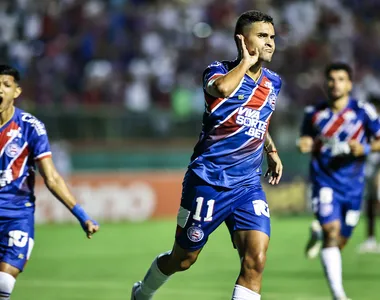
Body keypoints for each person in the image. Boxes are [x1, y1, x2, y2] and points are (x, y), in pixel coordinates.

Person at [131, 10, 283, 300]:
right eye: (262, 36)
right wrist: (246, 63)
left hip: (247, 185)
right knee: (183, 259)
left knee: (256, 260)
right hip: (208, 181)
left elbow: (258, 118)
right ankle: (142, 293)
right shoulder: (216, 71)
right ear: (242, 39)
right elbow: (223, 90)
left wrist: (271, 149)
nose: (270, 43)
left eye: (272, 37)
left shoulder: (273, 82)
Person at [0, 65, 100, 299]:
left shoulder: (30, 127)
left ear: (17, 91)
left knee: (4, 281)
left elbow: (52, 178)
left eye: (6, 85)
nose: (0, 91)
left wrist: (82, 215)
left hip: (16, 215)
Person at [298, 63, 380, 300]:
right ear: (326, 84)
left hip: (353, 187)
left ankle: (319, 236)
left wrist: (364, 147)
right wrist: (303, 143)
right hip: (324, 182)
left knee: (339, 240)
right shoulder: (313, 112)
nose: (336, 84)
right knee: (332, 232)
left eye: (341, 79)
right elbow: (304, 139)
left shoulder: (364, 111)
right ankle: (339, 295)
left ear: (350, 84)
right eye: (331, 79)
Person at [358, 94, 380, 253]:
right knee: (371, 203)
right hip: (368, 170)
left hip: (377, 170)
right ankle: (371, 239)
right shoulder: (364, 125)